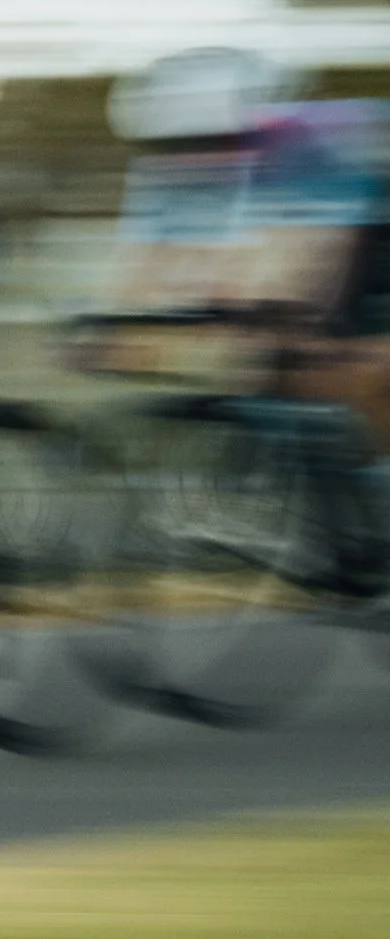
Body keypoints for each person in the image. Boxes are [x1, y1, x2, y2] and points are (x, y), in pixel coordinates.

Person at [90, 47, 390, 561]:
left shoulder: (317, 141)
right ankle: (337, 523)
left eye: (219, 140)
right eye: (180, 145)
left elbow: (323, 256)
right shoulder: (169, 163)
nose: (198, 156)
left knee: (362, 366)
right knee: (274, 364)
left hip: (368, 234)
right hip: (339, 239)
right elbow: (153, 260)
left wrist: (294, 325)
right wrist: (111, 325)